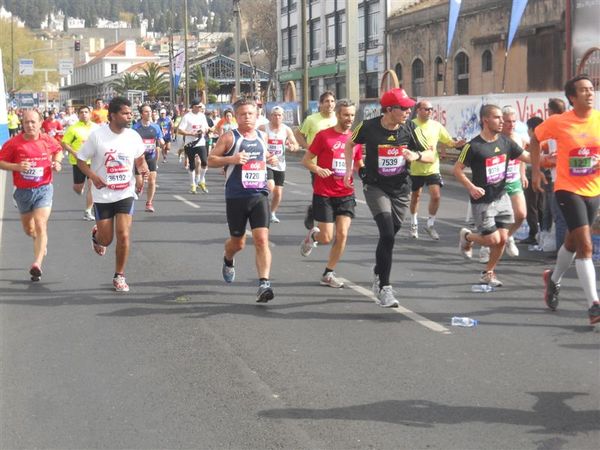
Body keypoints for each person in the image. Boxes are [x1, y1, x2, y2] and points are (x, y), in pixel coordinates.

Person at [343, 88, 433, 307]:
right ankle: (385, 287)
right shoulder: (368, 127)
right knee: (387, 234)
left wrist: (416, 155)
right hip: (375, 187)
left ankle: (377, 272)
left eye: (409, 107)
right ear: (390, 109)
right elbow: (349, 143)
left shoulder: (411, 128)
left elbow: (431, 155)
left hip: (401, 189)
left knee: (389, 235)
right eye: (403, 108)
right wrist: (349, 169)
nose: (408, 111)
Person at [530, 75, 600, 325]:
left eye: (591, 89)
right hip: (567, 190)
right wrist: (536, 170)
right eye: (583, 90)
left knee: (572, 241)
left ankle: (553, 279)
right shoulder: (559, 122)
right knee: (586, 246)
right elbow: (535, 139)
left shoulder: (599, 120)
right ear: (572, 97)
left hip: (593, 190)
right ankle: (593, 304)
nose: (589, 94)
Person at [207, 98, 278, 303]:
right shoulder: (230, 137)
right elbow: (210, 160)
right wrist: (232, 159)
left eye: (251, 114)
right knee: (238, 243)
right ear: (236, 117)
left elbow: (265, 159)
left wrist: (270, 162)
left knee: (262, 239)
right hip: (236, 197)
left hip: (258, 195)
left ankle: (264, 283)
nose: (247, 117)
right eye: (243, 114)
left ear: (257, 116)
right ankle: (228, 259)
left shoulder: (263, 136)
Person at [76, 97, 148, 292]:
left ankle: (119, 275)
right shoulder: (98, 136)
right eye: (125, 113)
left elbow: (140, 159)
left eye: (130, 112)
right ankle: (96, 235)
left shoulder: (133, 136)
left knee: (124, 235)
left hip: (125, 192)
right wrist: (93, 176)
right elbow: (81, 160)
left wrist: (141, 174)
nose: (129, 116)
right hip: (103, 195)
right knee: (106, 239)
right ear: (113, 115)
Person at [454, 104, 530, 287]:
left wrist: (550, 158)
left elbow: (526, 157)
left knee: (502, 238)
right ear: (485, 120)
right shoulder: (473, 146)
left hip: (501, 196)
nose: (502, 121)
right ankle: (467, 237)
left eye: (502, 118)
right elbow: (457, 170)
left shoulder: (505, 142)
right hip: (483, 201)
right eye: (498, 118)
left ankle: (488, 272)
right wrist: (471, 187)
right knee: (492, 240)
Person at [300, 99, 363, 288]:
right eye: (346, 115)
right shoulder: (324, 136)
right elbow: (307, 160)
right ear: (338, 115)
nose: (349, 118)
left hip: (346, 192)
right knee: (326, 237)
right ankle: (312, 237)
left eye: (352, 115)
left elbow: (359, 164)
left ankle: (328, 274)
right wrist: (318, 169)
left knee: (342, 234)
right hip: (324, 192)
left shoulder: (355, 140)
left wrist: (369, 174)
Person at [0, 109, 63, 281]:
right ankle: (38, 241)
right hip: (22, 192)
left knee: (41, 223)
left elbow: (58, 150)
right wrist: (17, 167)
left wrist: (57, 162)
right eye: (26, 122)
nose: (30, 125)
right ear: (22, 123)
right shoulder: (14, 143)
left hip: (43, 188)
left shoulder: (47, 140)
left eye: (33, 122)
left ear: (40, 122)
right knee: (29, 229)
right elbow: (1, 162)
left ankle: (37, 264)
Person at [409, 100, 466, 240]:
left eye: (431, 109)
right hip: (416, 167)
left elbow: (448, 141)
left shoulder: (436, 126)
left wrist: (457, 144)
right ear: (418, 110)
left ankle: (430, 224)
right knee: (416, 196)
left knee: (436, 196)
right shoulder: (410, 126)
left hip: (432, 167)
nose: (429, 111)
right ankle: (413, 223)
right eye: (426, 109)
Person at [295, 91, 338, 230]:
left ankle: (318, 212)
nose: (329, 104)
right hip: (317, 164)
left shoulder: (338, 119)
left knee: (335, 193)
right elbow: (299, 133)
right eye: (326, 101)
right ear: (320, 104)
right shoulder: (312, 119)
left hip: (336, 163)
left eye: (332, 101)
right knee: (320, 192)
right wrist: (308, 147)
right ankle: (316, 215)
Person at [259, 105, 299, 223]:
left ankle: (272, 213)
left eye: (279, 115)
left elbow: (295, 144)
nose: (277, 117)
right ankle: (261, 208)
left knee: (278, 192)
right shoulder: (263, 128)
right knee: (270, 186)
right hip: (267, 163)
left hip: (280, 164)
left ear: (283, 117)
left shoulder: (286, 129)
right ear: (271, 116)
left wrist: (293, 147)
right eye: (275, 115)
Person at [61, 105, 99, 221]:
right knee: (78, 187)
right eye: (81, 112)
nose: (84, 114)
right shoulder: (73, 129)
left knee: (92, 187)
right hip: (78, 162)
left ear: (90, 114)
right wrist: (74, 152)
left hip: (93, 161)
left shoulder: (97, 128)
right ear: (78, 115)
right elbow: (64, 143)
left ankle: (88, 211)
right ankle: (79, 188)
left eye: (86, 112)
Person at [499, 106, 529, 256]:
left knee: (521, 214)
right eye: (507, 122)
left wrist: (522, 174)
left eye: (513, 121)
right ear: (501, 122)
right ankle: (488, 246)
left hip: (514, 180)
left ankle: (508, 236)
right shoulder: (495, 138)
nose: (511, 124)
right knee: (496, 220)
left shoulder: (519, 139)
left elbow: (522, 158)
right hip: (497, 184)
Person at [132, 104, 164, 212]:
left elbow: (160, 139)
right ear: (141, 114)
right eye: (146, 111)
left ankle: (149, 203)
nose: (149, 113)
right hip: (139, 157)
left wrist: (162, 142)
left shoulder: (156, 126)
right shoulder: (135, 127)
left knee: (152, 181)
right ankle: (139, 187)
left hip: (151, 156)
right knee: (140, 182)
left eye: (150, 111)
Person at [177, 99, 210, 194]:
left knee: (204, 162)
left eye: (201, 107)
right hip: (190, 143)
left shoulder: (202, 116)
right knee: (192, 165)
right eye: (199, 107)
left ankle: (200, 180)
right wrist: (190, 133)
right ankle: (193, 185)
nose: (201, 108)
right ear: (194, 106)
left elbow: (206, 127)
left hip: (201, 142)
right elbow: (180, 130)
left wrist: (204, 130)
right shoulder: (187, 117)